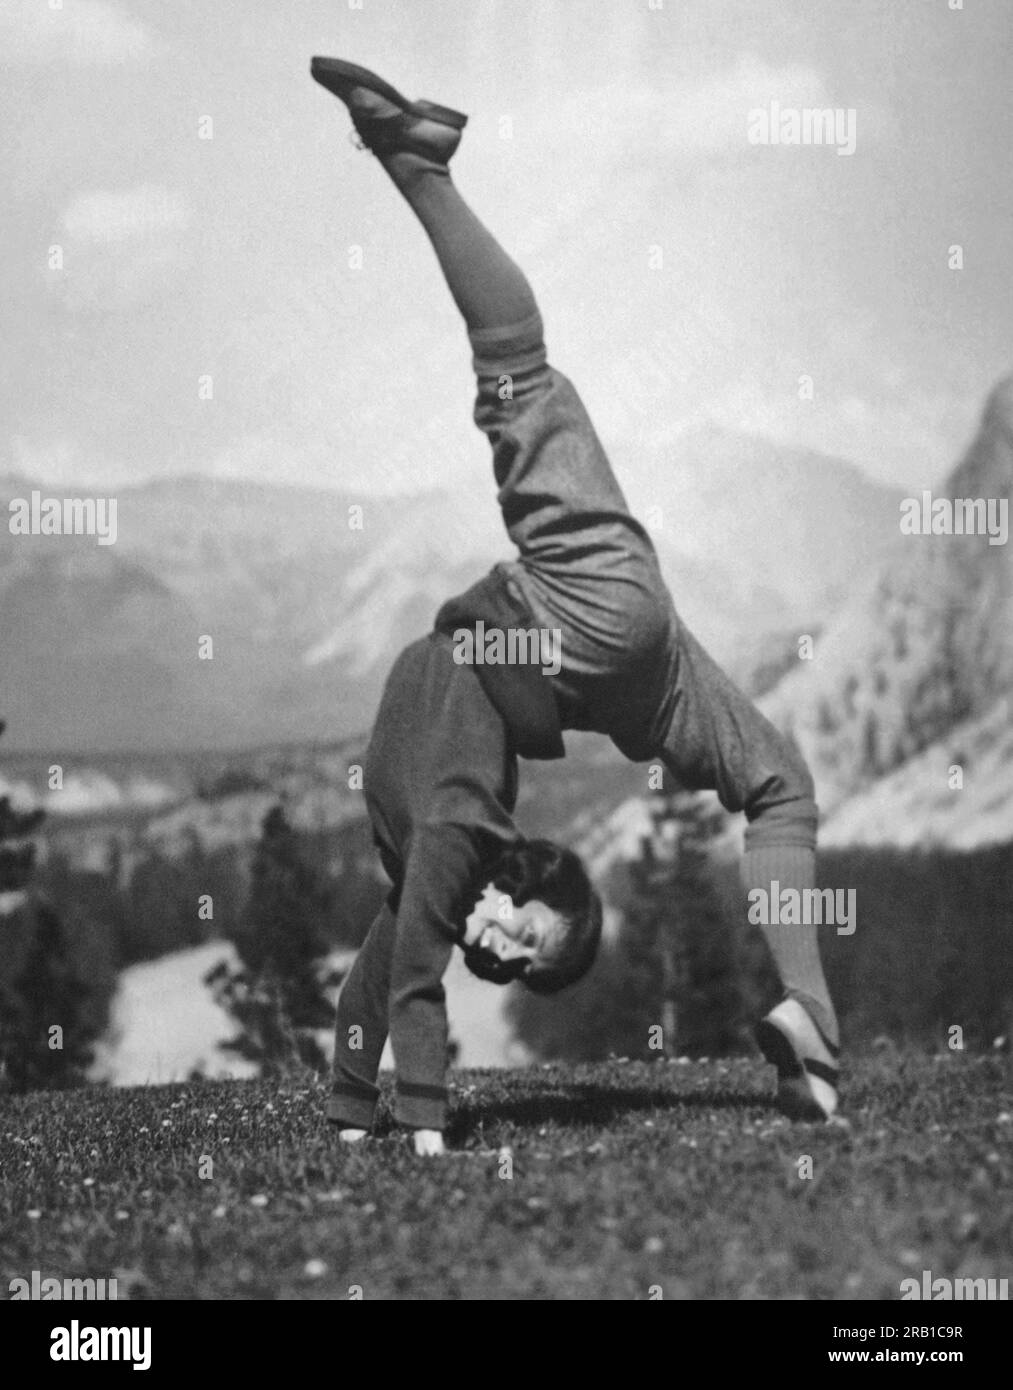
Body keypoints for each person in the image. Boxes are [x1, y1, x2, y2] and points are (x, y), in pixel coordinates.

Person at [311, 58, 840, 1151]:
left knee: (518, 361)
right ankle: (810, 1016)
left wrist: (361, 1083)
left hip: (610, 641)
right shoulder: (480, 829)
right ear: (546, 885)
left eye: (507, 963)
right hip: (617, 648)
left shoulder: (466, 842)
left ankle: (421, 166)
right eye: (529, 941)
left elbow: (410, 931)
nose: (496, 947)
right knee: (774, 784)